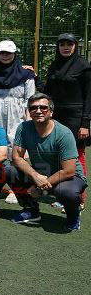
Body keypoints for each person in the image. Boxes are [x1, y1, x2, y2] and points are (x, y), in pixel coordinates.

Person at [7, 93, 87, 232]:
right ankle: (31, 210)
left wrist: (39, 188)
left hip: (69, 177)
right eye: (33, 108)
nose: (38, 111)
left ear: (51, 111)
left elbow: (69, 171)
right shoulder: (24, 128)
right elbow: (17, 157)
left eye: (43, 107)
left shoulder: (64, 133)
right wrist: (35, 176)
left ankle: (73, 216)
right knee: (10, 171)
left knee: (66, 191)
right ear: (29, 112)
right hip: (41, 174)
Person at [0, 40, 36, 204]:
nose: (5, 56)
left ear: (14, 54)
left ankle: (15, 188)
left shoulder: (26, 74)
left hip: (17, 114)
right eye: (2, 53)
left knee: (16, 150)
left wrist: (28, 119)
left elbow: (30, 98)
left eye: (8, 53)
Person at [41, 32, 90, 211]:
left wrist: (85, 123)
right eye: (62, 44)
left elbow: (89, 97)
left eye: (69, 44)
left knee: (76, 156)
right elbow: (47, 90)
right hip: (56, 116)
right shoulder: (54, 65)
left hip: (76, 118)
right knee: (57, 156)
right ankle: (63, 195)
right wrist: (32, 76)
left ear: (75, 46)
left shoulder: (84, 67)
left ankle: (79, 198)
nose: (66, 47)